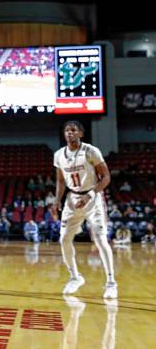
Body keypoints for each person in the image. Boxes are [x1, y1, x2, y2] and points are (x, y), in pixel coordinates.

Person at [53, 121, 117, 299]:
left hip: (92, 198)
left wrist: (90, 194)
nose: (69, 133)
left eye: (73, 130)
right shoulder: (59, 155)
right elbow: (60, 180)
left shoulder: (90, 151)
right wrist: (57, 200)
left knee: (100, 238)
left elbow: (106, 177)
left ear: (80, 133)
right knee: (64, 239)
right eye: (66, 130)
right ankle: (75, 277)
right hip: (72, 200)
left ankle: (111, 282)